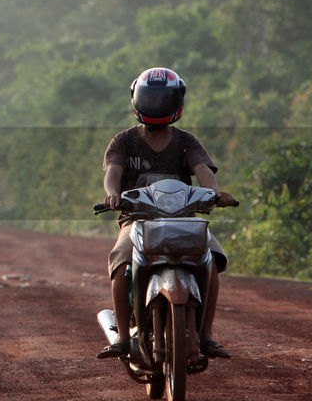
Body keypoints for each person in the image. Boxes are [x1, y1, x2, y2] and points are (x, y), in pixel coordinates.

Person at [96, 67, 234, 360]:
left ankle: (205, 334)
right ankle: (122, 335)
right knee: (122, 262)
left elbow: (203, 171)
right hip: (136, 220)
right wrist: (113, 193)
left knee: (209, 258)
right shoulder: (123, 141)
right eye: (150, 98)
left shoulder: (187, 142)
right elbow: (113, 173)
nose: (156, 105)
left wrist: (216, 191)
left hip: (182, 219)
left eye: (162, 99)